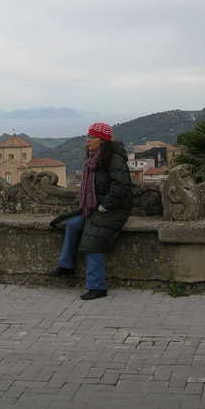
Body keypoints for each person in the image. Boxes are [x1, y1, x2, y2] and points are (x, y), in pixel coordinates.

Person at [49, 122, 133, 300]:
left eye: (92, 137)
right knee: (72, 224)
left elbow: (121, 186)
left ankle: (97, 287)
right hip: (94, 207)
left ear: (102, 140)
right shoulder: (93, 159)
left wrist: (105, 206)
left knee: (93, 240)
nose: (88, 140)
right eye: (88, 137)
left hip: (113, 209)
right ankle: (66, 266)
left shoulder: (114, 159)